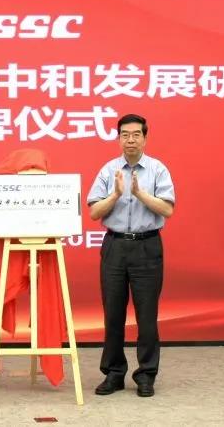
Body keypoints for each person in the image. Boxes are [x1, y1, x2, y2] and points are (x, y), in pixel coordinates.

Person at [86, 113, 175, 398]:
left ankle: (146, 375)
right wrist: (115, 195)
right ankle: (113, 373)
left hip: (147, 246)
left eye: (136, 134)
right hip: (115, 246)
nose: (131, 140)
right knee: (113, 315)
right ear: (118, 139)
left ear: (145, 138)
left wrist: (139, 193)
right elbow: (94, 212)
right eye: (125, 135)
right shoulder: (109, 170)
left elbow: (167, 209)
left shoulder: (158, 169)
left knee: (147, 316)